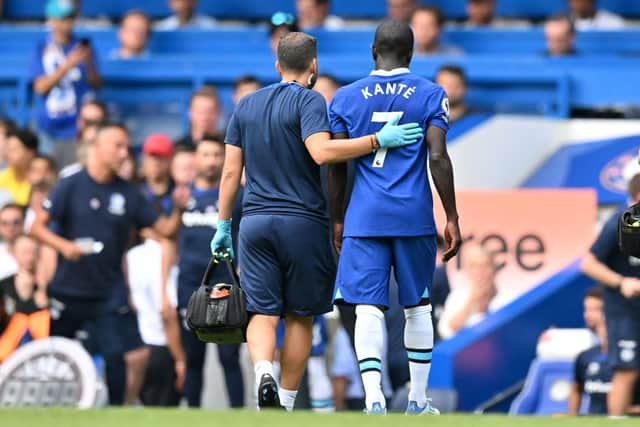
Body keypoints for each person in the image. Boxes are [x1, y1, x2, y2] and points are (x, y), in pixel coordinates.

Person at [210, 31, 423, 411]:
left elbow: (230, 173)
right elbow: (322, 152)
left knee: (261, 310)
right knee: (300, 316)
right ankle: (286, 402)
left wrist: (224, 225)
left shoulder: (245, 105)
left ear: (277, 66)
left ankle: (263, 372)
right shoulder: (310, 101)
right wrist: (378, 140)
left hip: (255, 222)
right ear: (313, 67)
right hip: (303, 223)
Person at [327, 20, 461, 415]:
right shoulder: (431, 94)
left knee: (367, 307)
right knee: (417, 305)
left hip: (363, 218)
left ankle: (373, 398)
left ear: (373, 51)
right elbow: (438, 157)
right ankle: (418, 399)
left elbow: (337, 167)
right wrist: (451, 215)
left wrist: (338, 217)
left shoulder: (345, 98)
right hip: (412, 216)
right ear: (412, 53)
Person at [29, 122, 190, 405]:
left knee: (116, 356)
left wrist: (177, 208)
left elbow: (165, 230)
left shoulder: (128, 193)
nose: (124, 153)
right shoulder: (71, 184)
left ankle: (112, 414)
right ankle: (49, 408)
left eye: (126, 147)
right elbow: (37, 228)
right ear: (98, 147)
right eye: (118, 146)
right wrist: (64, 246)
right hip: (69, 289)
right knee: (56, 355)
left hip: (108, 291)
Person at [177, 134, 245, 408]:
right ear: (196, 158)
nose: (212, 160)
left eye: (217, 155)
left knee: (229, 357)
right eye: (206, 154)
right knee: (193, 358)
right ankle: (193, 414)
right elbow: (168, 237)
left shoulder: (235, 197)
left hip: (225, 284)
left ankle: (238, 415)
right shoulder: (182, 196)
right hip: (189, 287)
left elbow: (246, 232)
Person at [580, 173, 640, 417]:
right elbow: (588, 263)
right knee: (627, 370)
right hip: (626, 311)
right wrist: (621, 282)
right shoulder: (622, 221)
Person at [31, 0, 101, 158]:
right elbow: (40, 87)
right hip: (48, 126)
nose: (68, 23)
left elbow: (96, 84)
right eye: (63, 18)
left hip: (77, 127)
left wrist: (89, 63)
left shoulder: (83, 48)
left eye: (71, 17)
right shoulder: (41, 48)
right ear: (51, 20)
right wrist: (67, 65)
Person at [0, 234, 49, 362]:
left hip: (40, 357)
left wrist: (43, 290)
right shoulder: (4, 286)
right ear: (13, 253)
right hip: (6, 356)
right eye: (24, 252)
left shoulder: (48, 288)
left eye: (33, 252)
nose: (29, 257)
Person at [0, 129, 38, 206]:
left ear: (31, 152)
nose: (8, 154)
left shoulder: (39, 180)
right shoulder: (2, 177)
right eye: (7, 149)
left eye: (14, 149)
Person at [140, 134, 174, 215]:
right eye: (152, 156)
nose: (156, 163)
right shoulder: (134, 192)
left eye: (161, 157)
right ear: (144, 159)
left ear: (170, 160)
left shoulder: (178, 192)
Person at [0, 203, 25, 280]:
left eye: (16, 222)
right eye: (4, 223)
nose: (10, 227)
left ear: (24, 223)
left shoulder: (37, 251)